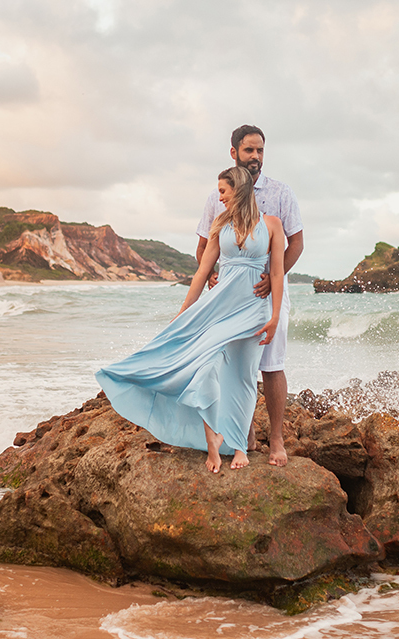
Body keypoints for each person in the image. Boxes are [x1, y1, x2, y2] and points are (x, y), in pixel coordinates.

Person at [96, 166, 286, 473]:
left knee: (245, 375)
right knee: (206, 368)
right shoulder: (220, 223)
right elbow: (202, 272)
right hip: (219, 308)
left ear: (237, 189)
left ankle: (239, 447)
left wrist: (276, 316)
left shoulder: (272, 225)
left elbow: (276, 272)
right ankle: (212, 440)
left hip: (254, 309)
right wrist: (184, 311)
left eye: (223, 191)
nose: (219, 197)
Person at [195, 125, 303, 467]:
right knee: (229, 362)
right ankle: (243, 433)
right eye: (248, 151)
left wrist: (274, 281)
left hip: (269, 294)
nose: (255, 157)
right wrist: (214, 276)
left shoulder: (281, 194)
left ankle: (275, 437)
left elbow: (296, 243)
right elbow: (203, 247)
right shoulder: (218, 195)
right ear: (234, 153)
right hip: (229, 296)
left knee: (271, 364)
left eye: (260, 151)